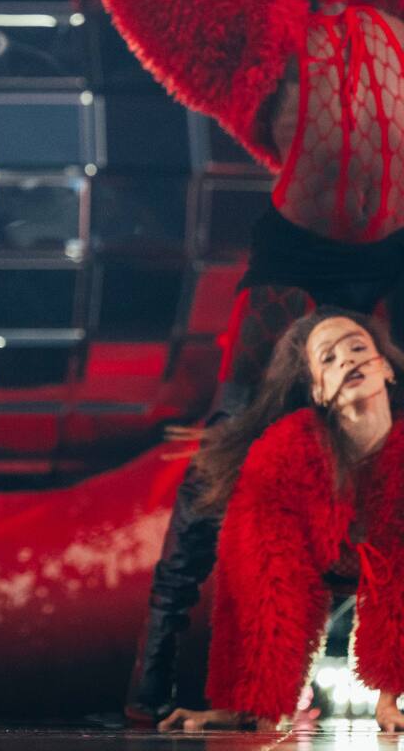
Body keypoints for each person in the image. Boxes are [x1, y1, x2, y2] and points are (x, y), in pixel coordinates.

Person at [90, 0, 404, 721]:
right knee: (228, 448)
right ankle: (155, 669)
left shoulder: (394, 0)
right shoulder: (252, 29)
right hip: (295, 263)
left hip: (395, 257)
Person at [159, 309, 404, 733]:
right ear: (318, 391)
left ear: (385, 367)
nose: (347, 359)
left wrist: (389, 700)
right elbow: (262, 582)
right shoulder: (284, 453)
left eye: (357, 348)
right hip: (315, 555)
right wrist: (250, 704)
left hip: (387, 555)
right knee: (257, 559)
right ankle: (249, 703)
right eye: (328, 358)